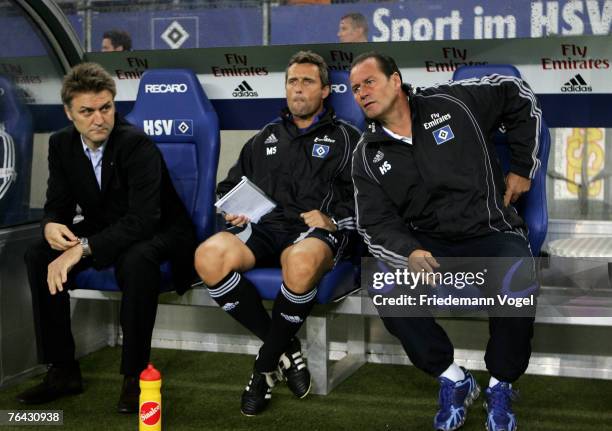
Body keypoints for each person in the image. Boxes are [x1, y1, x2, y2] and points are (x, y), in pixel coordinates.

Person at [349, 52, 541, 431]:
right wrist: (409, 251)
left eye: (369, 82)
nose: (361, 93)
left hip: (490, 230)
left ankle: (500, 384)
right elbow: (374, 225)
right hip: (431, 246)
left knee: (518, 276)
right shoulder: (366, 155)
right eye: (355, 88)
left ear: (395, 80)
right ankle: (454, 378)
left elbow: (517, 94)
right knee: (385, 286)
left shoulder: (451, 102)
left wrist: (522, 166)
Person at [16, 62, 196, 414]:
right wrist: (51, 225)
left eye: (106, 108)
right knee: (39, 256)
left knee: (137, 260)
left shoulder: (136, 144)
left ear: (114, 106)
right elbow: (58, 205)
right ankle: (62, 370)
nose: (99, 119)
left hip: (163, 231)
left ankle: (134, 377)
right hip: (108, 227)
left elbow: (144, 220)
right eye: (87, 111)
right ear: (69, 113)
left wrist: (82, 249)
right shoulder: (61, 144)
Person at [195, 50, 360, 416]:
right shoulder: (265, 137)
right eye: (292, 81)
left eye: (307, 81)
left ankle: (262, 369)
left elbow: (371, 200)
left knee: (300, 262)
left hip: (315, 234)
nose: (298, 89)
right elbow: (227, 187)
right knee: (208, 256)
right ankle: (287, 350)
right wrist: (232, 209)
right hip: (265, 228)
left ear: (326, 90)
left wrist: (335, 220)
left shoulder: (348, 139)